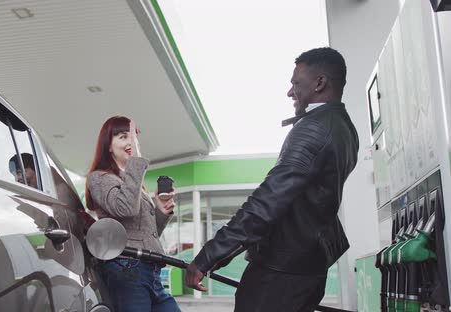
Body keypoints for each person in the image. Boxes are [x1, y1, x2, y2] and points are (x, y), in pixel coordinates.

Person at [185, 47, 359, 312]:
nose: (290, 92)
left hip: (279, 277)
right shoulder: (345, 129)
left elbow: (266, 202)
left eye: (295, 84)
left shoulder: (313, 129)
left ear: (320, 83)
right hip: (308, 271)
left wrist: (209, 256)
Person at [85, 116, 180, 312]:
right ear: (108, 146)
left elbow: (145, 234)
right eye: (122, 137)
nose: (130, 142)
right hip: (127, 268)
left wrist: (160, 210)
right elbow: (125, 209)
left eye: (134, 138)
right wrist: (136, 164)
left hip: (150, 269)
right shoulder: (99, 178)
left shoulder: (134, 184)